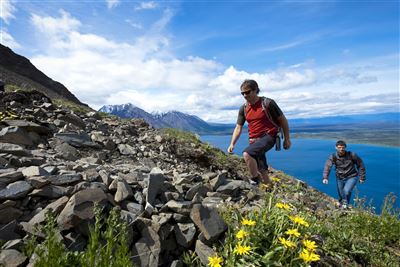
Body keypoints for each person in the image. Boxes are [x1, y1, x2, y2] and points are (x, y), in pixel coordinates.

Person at [227, 79, 291, 185]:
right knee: (261, 166)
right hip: (253, 140)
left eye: (247, 92)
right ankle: (268, 186)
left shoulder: (267, 103)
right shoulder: (244, 108)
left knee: (247, 154)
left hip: (269, 136)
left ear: (255, 90)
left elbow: (283, 120)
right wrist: (232, 143)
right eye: (242, 93)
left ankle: (255, 180)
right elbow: (238, 127)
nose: (244, 95)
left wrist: (287, 139)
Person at [322, 140, 366, 209]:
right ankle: (343, 205)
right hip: (340, 178)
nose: (341, 149)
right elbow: (327, 166)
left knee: (346, 191)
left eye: (343, 147)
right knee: (341, 194)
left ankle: (344, 206)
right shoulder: (333, 156)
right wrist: (325, 177)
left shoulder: (352, 155)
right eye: (339, 147)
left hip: (352, 176)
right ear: (336, 147)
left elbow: (360, 165)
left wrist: (362, 177)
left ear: (345, 147)